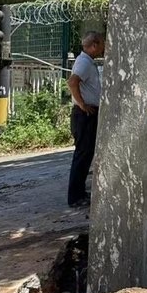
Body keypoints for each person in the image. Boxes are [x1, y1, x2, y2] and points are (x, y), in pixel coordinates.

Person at [66, 30, 105, 208]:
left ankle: (79, 192)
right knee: (82, 154)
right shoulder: (84, 62)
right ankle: (75, 197)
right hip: (84, 115)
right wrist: (82, 104)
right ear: (94, 45)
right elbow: (72, 82)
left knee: (86, 153)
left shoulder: (87, 61)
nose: (103, 48)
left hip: (87, 113)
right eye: (102, 44)